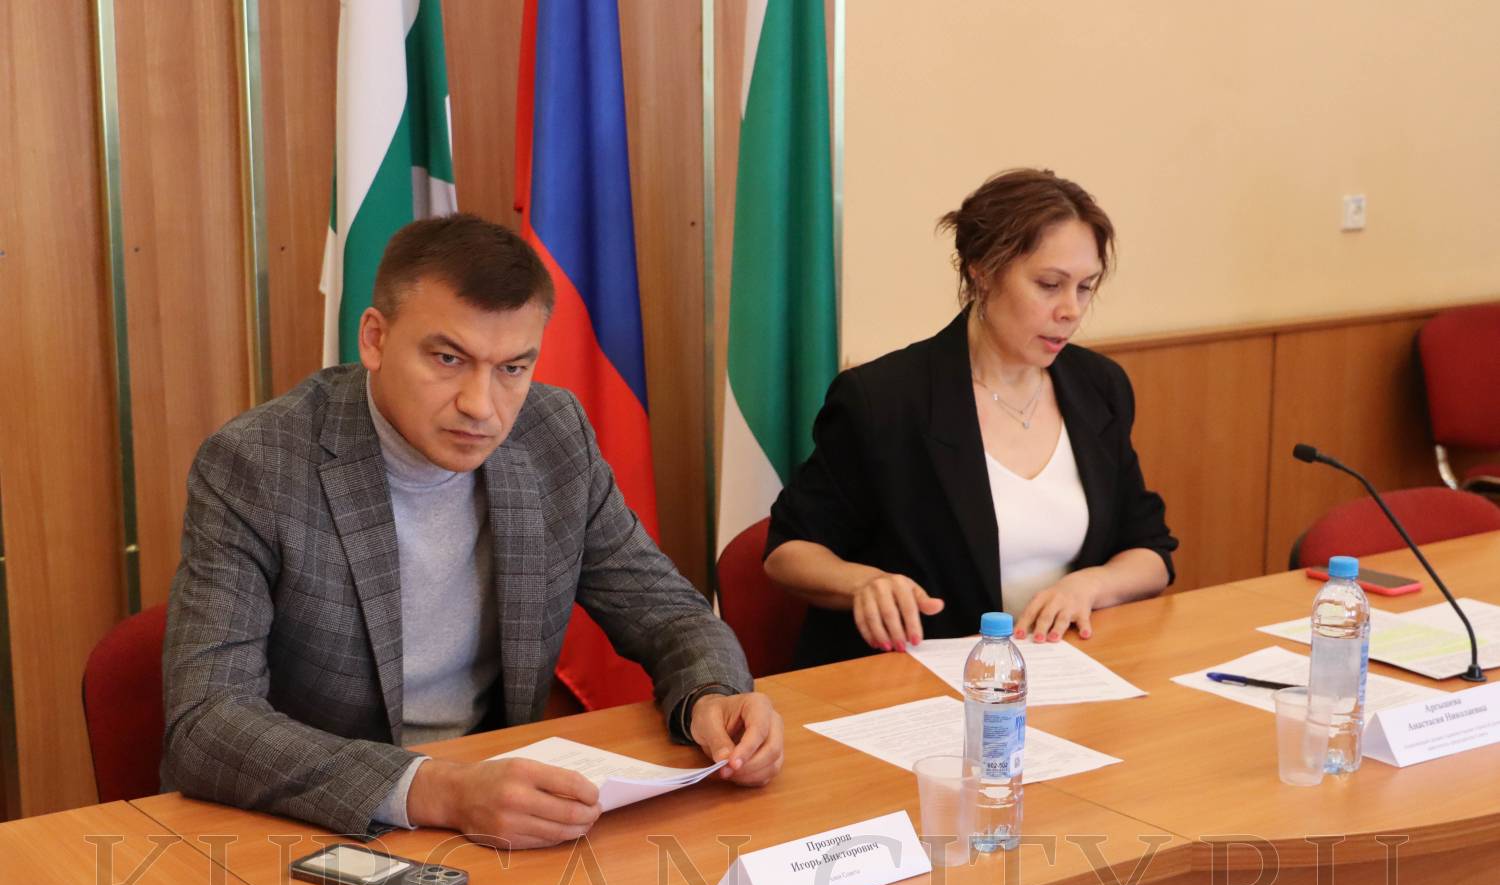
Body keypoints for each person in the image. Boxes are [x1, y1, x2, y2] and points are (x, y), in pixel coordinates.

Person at [163, 214, 783, 845]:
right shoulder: (258, 464)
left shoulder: (552, 434)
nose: (481, 407)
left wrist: (711, 695)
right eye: (448, 358)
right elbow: (207, 720)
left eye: (512, 368)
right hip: (320, 828)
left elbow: (667, 612)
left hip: (498, 818)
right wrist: (442, 790)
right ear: (374, 339)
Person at [764, 168, 1177, 668]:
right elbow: (788, 553)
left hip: (1063, 669)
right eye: (1049, 285)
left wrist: (1091, 585)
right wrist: (863, 583)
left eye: (1086, 287)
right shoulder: (884, 399)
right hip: (916, 677)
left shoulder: (1099, 387)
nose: (1071, 310)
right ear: (982, 272)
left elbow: (1150, 551)